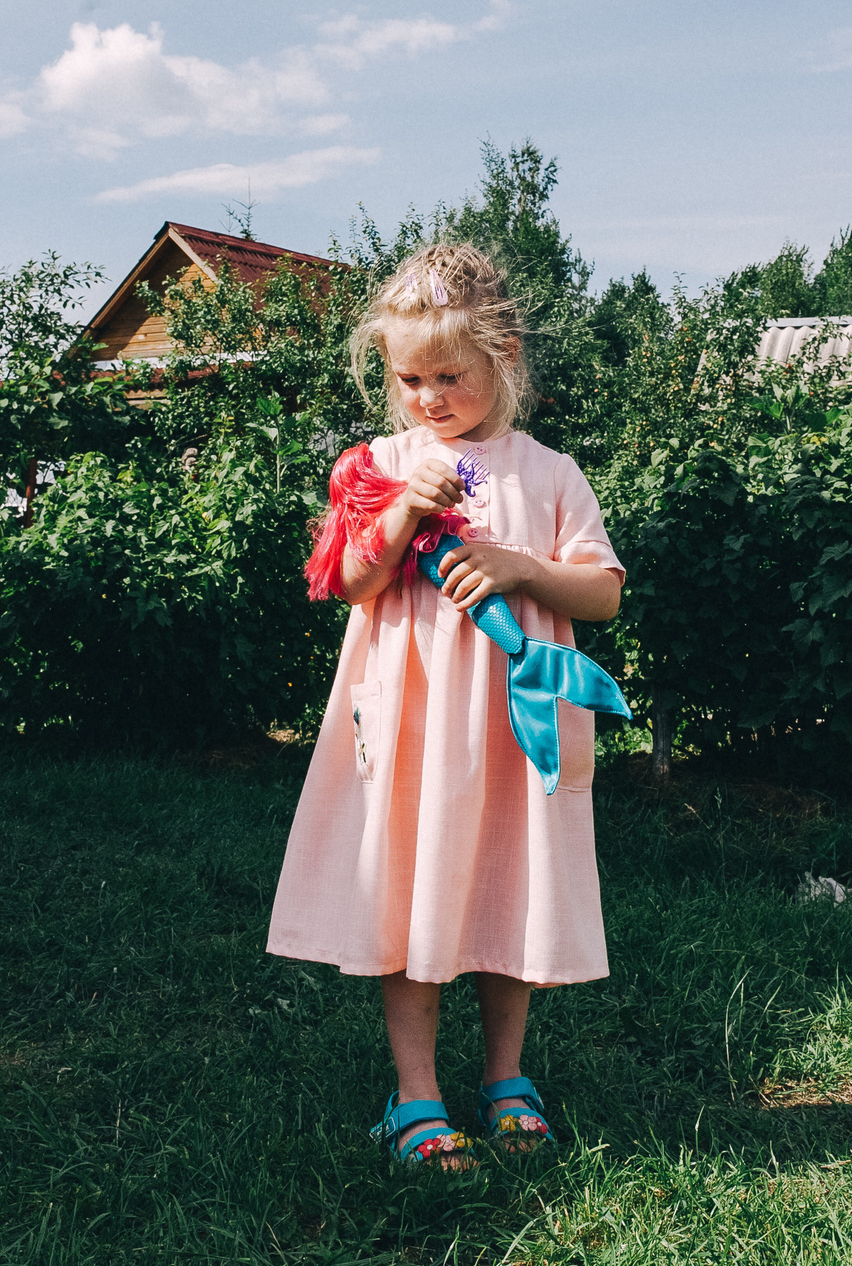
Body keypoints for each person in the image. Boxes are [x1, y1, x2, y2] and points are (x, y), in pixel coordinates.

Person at [267, 242, 626, 1172]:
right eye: (410, 378)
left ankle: (507, 1080)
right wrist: (398, 514)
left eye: (448, 375)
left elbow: (602, 592)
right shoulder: (379, 464)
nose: (427, 397)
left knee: (509, 882)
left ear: (502, 354)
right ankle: (417, 1094)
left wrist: (520, 566)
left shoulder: (548, 472)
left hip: (512, 732)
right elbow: (350, 581)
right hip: (413, 729)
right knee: (408, 889)